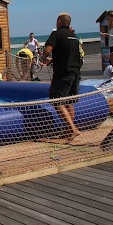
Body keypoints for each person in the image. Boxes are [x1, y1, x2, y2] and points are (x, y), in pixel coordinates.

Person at [41, 13, 83, 142]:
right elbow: (70, 54)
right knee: (69, 102)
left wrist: (44, 57)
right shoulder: (74, 36)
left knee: (56, 101)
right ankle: (68, 130)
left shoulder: (56, 34)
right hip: (75, 73)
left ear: (59, 21)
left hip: (63, 74)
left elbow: (47, 50)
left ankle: (73, 129)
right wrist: (52, 60)